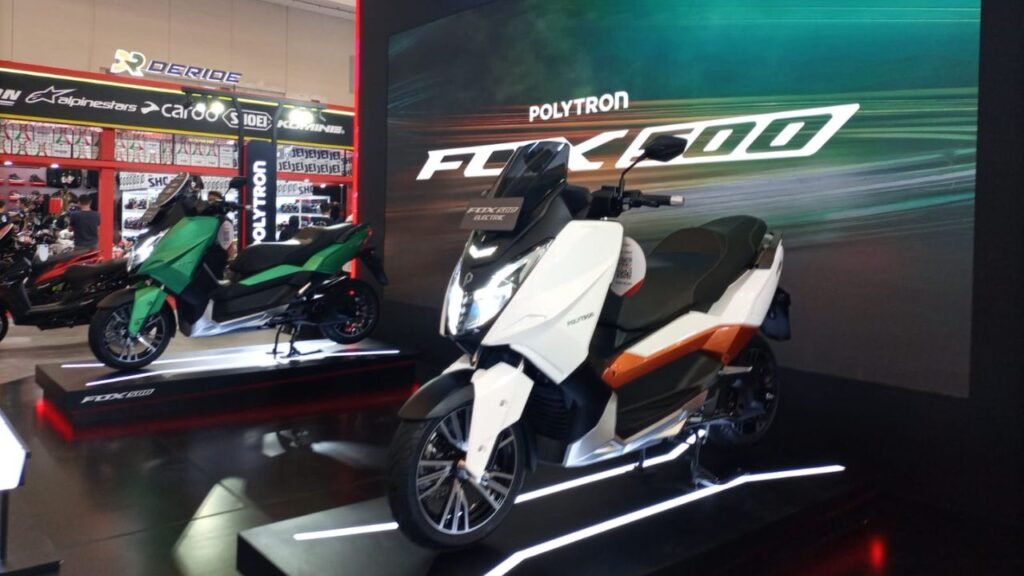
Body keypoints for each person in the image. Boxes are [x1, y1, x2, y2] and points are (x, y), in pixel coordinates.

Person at [206, 190, 237, 261]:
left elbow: (228, 241)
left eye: (215, 200)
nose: (212, 203)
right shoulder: (204, 217)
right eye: (210, 200)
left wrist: (231, 257)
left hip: (219, 253)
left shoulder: (225, 220)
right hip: (204, 252)